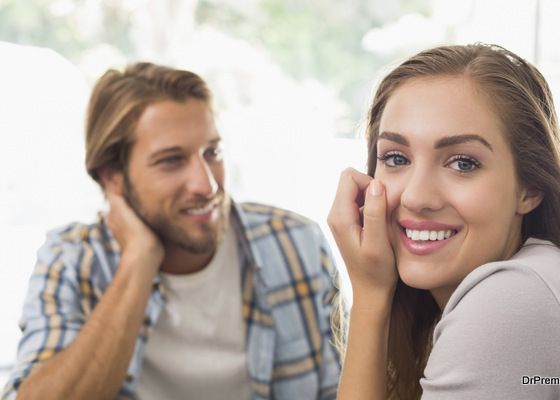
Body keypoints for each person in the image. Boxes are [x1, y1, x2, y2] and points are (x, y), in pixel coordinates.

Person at [2, 62, 340, 400]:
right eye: (171, 160)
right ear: (113, 177)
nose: (206, 184)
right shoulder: (71, 262)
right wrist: (138, 261)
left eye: (213, 152)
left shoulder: (297, 243)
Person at [328, 43, 560, 399]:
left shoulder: (509, 303)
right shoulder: (545, 277)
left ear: (529, 189)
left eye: (463, 163)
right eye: (396, 158)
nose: (415, 197)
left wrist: (369, 295)